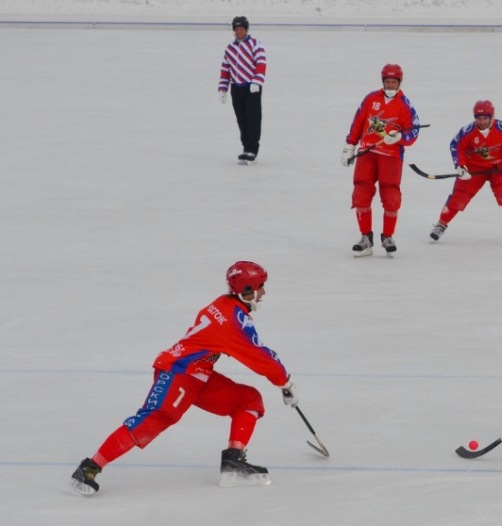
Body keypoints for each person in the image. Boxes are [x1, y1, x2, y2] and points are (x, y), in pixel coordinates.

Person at [69, 261, 298, 496]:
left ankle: (233, 464)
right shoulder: (234, 322)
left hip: (197, 376)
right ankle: (90, 467)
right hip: (178, 373)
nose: (264, 292)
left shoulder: (224, 304)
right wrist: (285, 383)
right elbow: (259, 356)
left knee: (248, 399)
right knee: (153, 419)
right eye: (260, 286)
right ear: (246, 290)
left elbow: (242, 345)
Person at [340, 63, 421, 257]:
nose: (390, 85)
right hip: (367, 153)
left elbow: (414, 131)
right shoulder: (370, 99)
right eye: (387, 82)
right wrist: (349, 146)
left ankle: (388, 237)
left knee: (391, 198)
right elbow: (358, 121)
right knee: (360, 194)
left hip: (391, 157)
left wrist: (400, 137)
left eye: (394, 82)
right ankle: (365, 238)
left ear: (399, 82)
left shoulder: (405, 105)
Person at [429, 100, 502, 243]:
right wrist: (461, 166)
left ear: (491, 117)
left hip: (498, 168)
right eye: (478, 118)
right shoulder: (467, 131)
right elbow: (456, 146)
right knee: (459, 197)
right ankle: (441, 225)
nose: (482, 121)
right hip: (474, 168)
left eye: (485, 118)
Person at [217, 16, 267, 165]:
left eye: (241, 29)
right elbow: (225, 69)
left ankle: (252, 149)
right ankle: (246, 148)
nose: (239, 31)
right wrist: (223, 88)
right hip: (236, 89)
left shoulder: (255, 45)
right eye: (236, 29)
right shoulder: (230, 49)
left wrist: (257, 82)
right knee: (242, 119)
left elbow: (261, 63)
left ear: (246, 30)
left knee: (253, 119)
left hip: (251, 88)